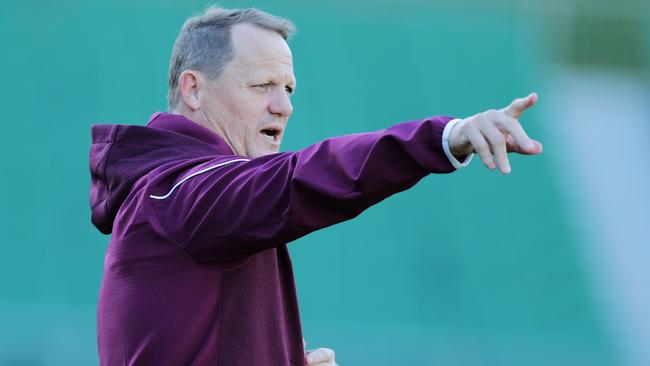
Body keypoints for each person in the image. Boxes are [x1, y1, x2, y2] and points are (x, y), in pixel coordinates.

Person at [89, 6, 542, 366]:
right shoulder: (181, 194)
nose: (283, 106)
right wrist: (442, 138)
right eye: (262, 85)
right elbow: (302, 176)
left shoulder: (185, 195)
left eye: (289, 89)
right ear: (192, 89)